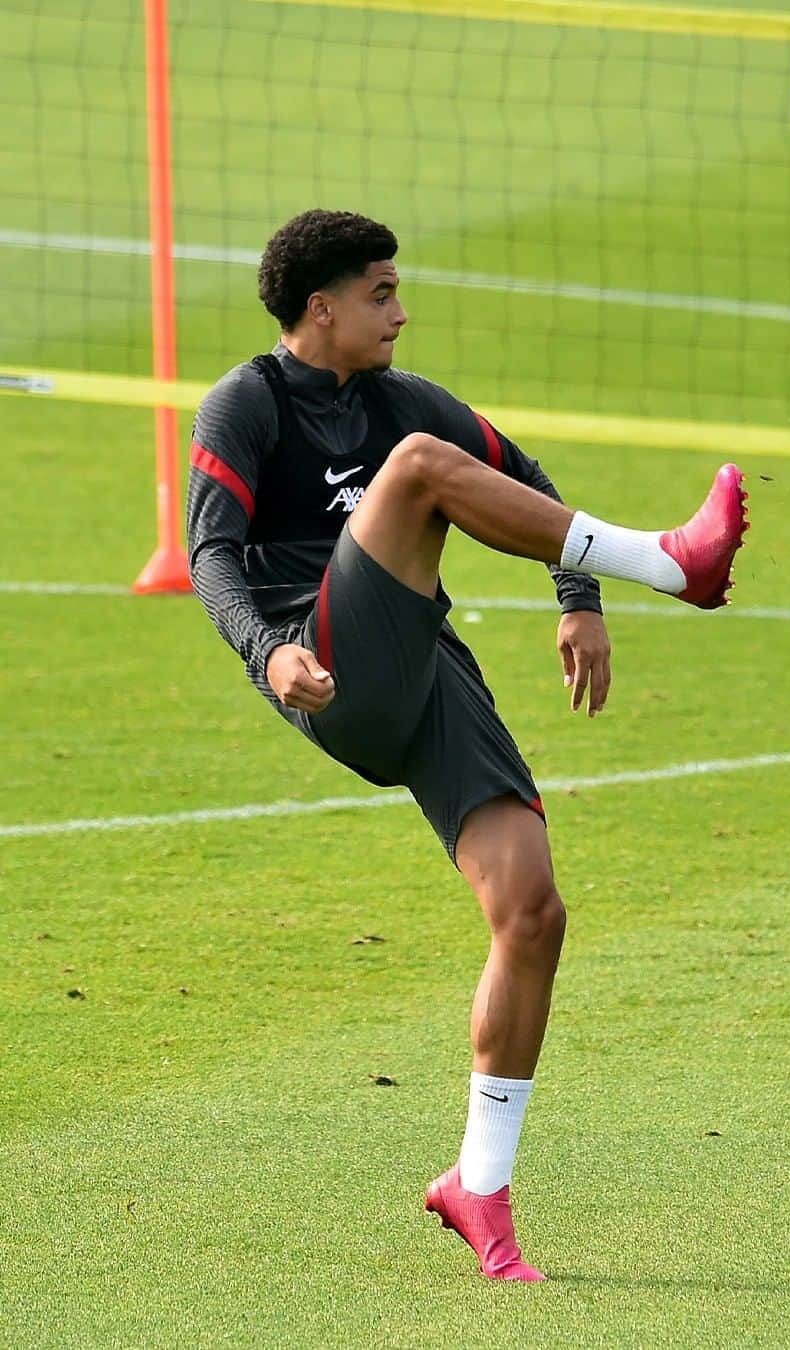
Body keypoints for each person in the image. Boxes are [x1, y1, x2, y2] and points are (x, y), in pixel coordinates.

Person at [186, 209, 748, 1282]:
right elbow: (209, 558)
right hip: (323, 663)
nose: (401, 312)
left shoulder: (401, 400)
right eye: (383, 294)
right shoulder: (247, 402)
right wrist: (265, 654)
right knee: (417, 469)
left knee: (533, 913)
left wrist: (578, 597)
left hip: (422, 667)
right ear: (324, 308)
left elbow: (523, 469)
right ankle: (677, 566)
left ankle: (479, 1187)